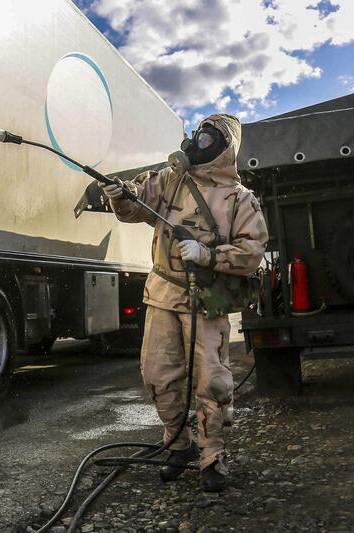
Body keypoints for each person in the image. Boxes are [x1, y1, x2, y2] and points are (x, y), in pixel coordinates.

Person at [100, 113, 268, 492]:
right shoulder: (171, 180)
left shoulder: (240, 200)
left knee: (213, 381)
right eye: (197, 134)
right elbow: (136, 207)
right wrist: (120, 196)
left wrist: (208, 255)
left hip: (206, 301)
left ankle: (212, 457)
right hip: (163, 295)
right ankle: (178, 446)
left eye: (208, 138)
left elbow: (252, 252)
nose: (198, 142)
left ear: (225, 148)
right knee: (158, 375)